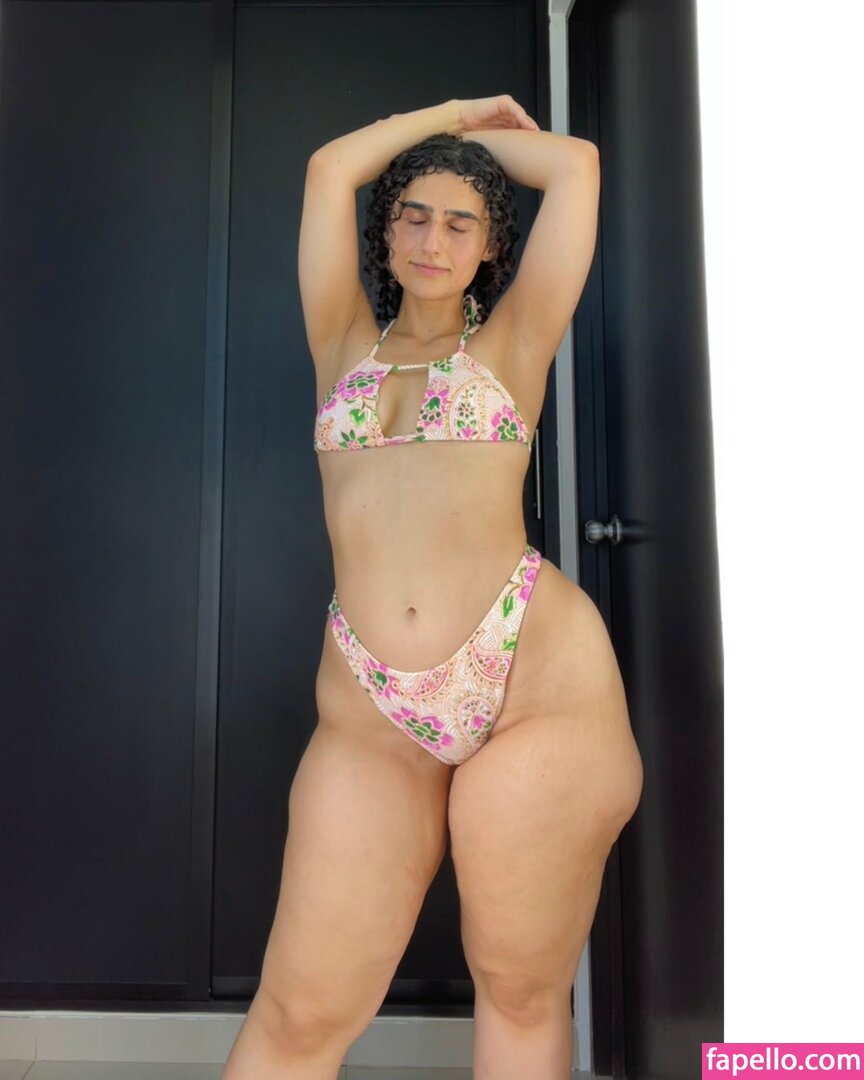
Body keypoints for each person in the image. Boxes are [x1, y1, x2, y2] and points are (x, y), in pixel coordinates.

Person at [221, 95, 643, 1080]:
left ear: (492, 247)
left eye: (461, 223)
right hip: (372, 707)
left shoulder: (513, 345)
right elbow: (330, 167)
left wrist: (465, 141)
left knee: (520, 989)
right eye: (413, 215)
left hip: (534, 685)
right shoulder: (342, 343)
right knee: (300, 1008)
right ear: (386, 231)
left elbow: (576, 166)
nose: (432, 239)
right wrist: (448, 117)